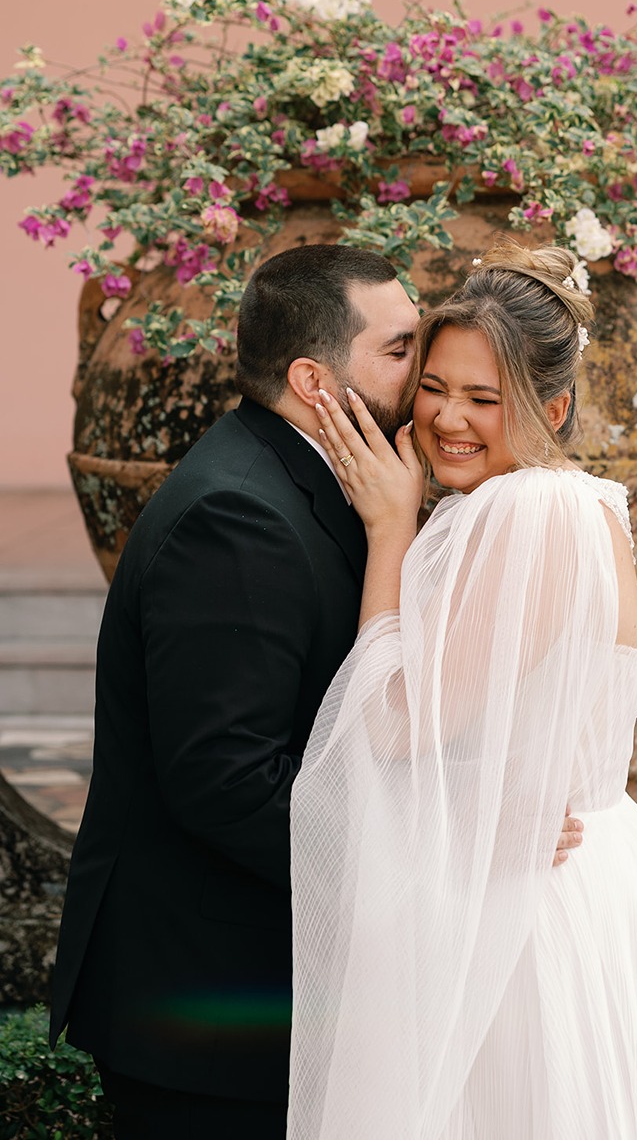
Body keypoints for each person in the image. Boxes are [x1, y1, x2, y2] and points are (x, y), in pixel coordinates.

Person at [289, 239, 637, 1139]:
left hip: (531, 910)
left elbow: (394, 726)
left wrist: (386, 528)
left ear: (555, 405)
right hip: (585, 872)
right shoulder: (567, 503)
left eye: (483, 398)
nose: (446, 418)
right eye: (433, 386)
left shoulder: (525, 512)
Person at [50, 242, 583, 1139]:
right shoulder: (239, 516)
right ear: (314, 379)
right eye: (401, 349)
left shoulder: (350, 481)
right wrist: (448, 849)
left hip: (288, 994)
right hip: (211, 1009)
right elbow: (227, 781)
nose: (426, 376)